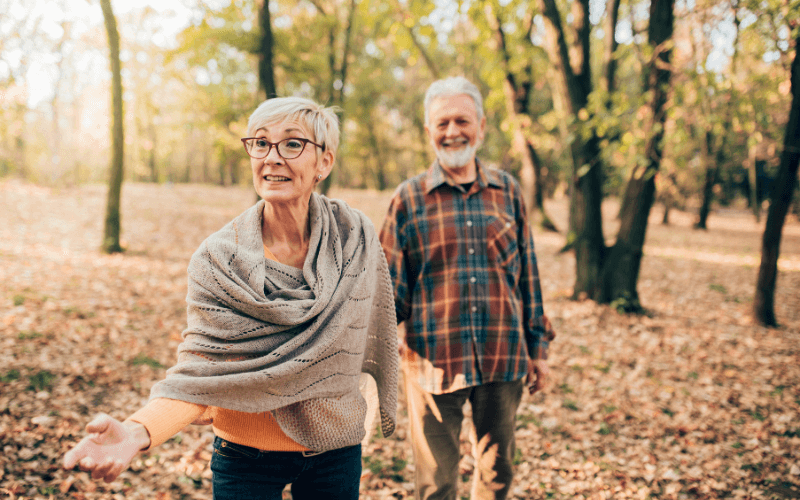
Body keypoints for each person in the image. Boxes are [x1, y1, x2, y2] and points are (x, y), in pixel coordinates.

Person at [63, 97, 399, 500]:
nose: (271, 158)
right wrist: (137, 431)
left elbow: (366, 330)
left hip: (336, 452)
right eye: (260, 143)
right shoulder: (217, 260)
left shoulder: (354, 238)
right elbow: (203, 368)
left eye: (292, 144)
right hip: (246, 456)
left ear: (323, 162)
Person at [378, 76, 555, 500]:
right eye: (442, 123)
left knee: (497, 474)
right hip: (432, 361)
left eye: (462, 120)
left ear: (481, 125)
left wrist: (539, 349)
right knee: (436, 484)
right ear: (428, 131)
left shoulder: (508, 191)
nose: (452, 131)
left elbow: (527, 274)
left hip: (503, 356)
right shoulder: (408, 199)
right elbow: (387, 294)